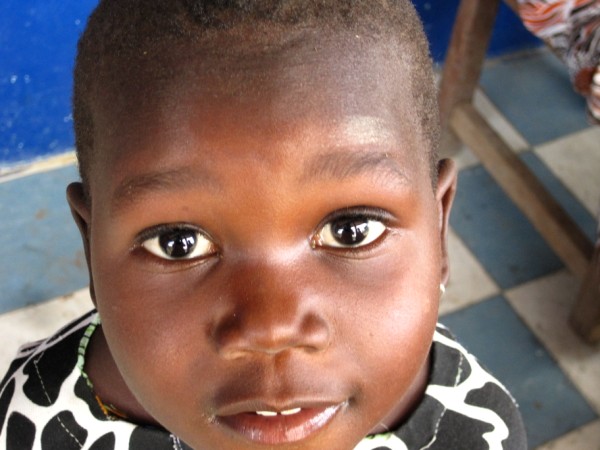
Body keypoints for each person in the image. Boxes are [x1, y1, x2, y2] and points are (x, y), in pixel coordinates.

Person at [0, 0, 527, 448]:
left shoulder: (474, 430)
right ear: (90, 247)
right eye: (178, 242)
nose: (271, 329)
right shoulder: (35, 421)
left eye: (352, 230)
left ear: (439, 231)